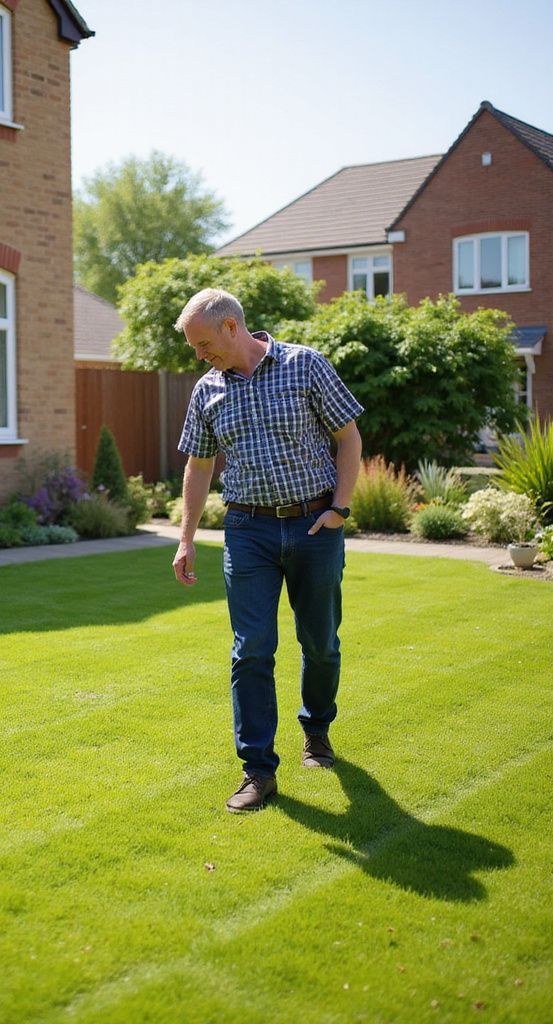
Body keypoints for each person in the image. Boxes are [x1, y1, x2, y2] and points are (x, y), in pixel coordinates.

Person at [172, 288, 363, 813]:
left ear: (232, 327)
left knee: (320, 641)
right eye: (194, 347)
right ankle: (258, 770)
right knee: (251, 648)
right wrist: (186, 538)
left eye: (203, 343)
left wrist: (340, 509)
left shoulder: (305, 365)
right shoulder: (206, 391)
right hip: (247, 530)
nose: (199, 354)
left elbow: (348, 437)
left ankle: (317, 729)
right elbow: (199, 467)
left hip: (314, 525)